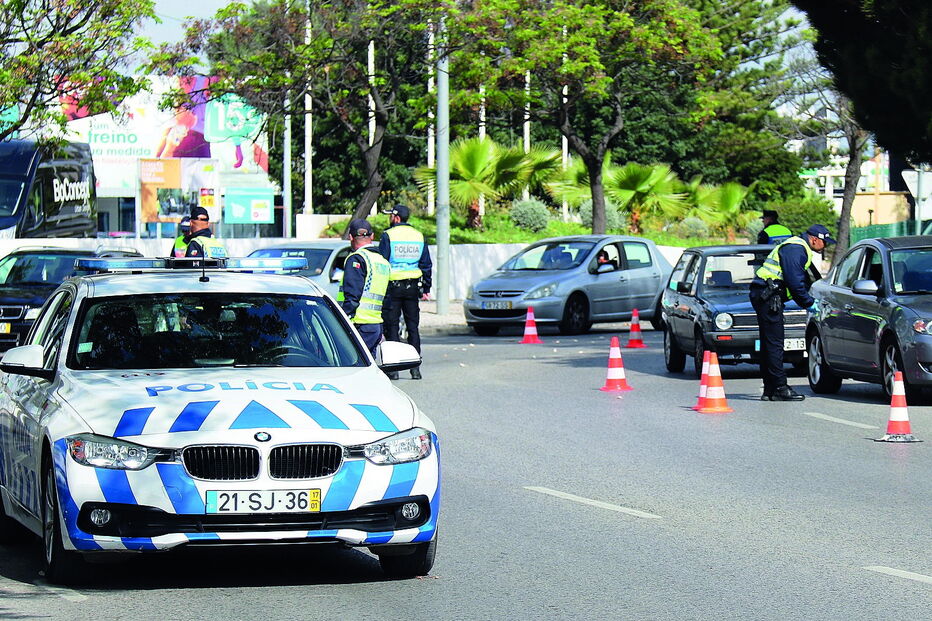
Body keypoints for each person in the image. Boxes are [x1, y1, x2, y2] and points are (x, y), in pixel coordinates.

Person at [749, 224, 836, 401]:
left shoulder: (796, 247)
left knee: (769, 344)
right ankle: (780, 387)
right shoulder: (796, 249)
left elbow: (804, 280)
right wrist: (808, 303)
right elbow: (794, 282)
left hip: (765, 294)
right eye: (824, 242)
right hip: (769, 297)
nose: (825, 246)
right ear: (814, 239)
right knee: (775, 344)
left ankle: (770, 389)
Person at [379, 204, 432, 380]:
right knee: (413, 328)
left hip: (392, 287)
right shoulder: (418, 235)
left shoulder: (388, 235)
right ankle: (415, 368)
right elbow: (426, 264)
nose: (390, 218)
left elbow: (383, 262)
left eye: (391, 216)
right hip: (413, 287)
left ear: (396, 217)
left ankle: (394, 369)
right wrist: (426, 287)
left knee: (392, 327)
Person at [338, 219, 391, 358]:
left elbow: (353, 295)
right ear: (372, 236)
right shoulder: (382, 261)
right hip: (376, 324)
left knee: (351, 363)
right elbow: (387, 297)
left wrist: (342, 319)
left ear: (351, 237)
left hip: (359, 323)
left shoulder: (357, 258)